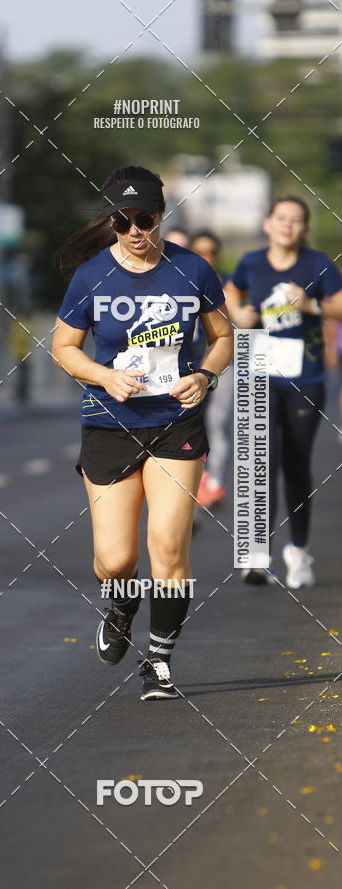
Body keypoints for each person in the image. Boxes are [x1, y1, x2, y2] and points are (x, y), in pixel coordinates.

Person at [52, 165, 233, 700]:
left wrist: (204, 376)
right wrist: (105, 375)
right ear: (111, 221)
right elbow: (63, 348)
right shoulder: (91, 277)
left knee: (169, 547)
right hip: (109, 425)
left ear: (161, 216)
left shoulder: (192, 270)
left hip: (174, 423)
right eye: (123, 220)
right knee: (114, 561)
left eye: (145, 219)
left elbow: (223, 337)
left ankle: (158, 661)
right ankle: (122, 604)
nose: (135, 230)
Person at [225, 195, 342, 588]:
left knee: (295, 464)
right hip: (258, 371)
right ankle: (256, 555)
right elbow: (230, 291)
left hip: (304, 377)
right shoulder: (251, 262)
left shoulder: (317, 264)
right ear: (268, 223)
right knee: (261, 460)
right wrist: (237, 313)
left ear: (303, 229)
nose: (288, 225)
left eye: (296, 220)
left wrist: (309, 304)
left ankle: (298, 550)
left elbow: (340, 304)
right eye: (281, 218)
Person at [190, 231, 233, 509]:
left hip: (223, 366)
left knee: (217, 423)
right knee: (194, 426)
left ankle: (213, 482)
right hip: (191, 367)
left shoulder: (228, 285)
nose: (206, 257)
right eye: (200, 252)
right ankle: (195, 483)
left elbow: (237, 325)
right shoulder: (181, 283)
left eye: (211, 252)